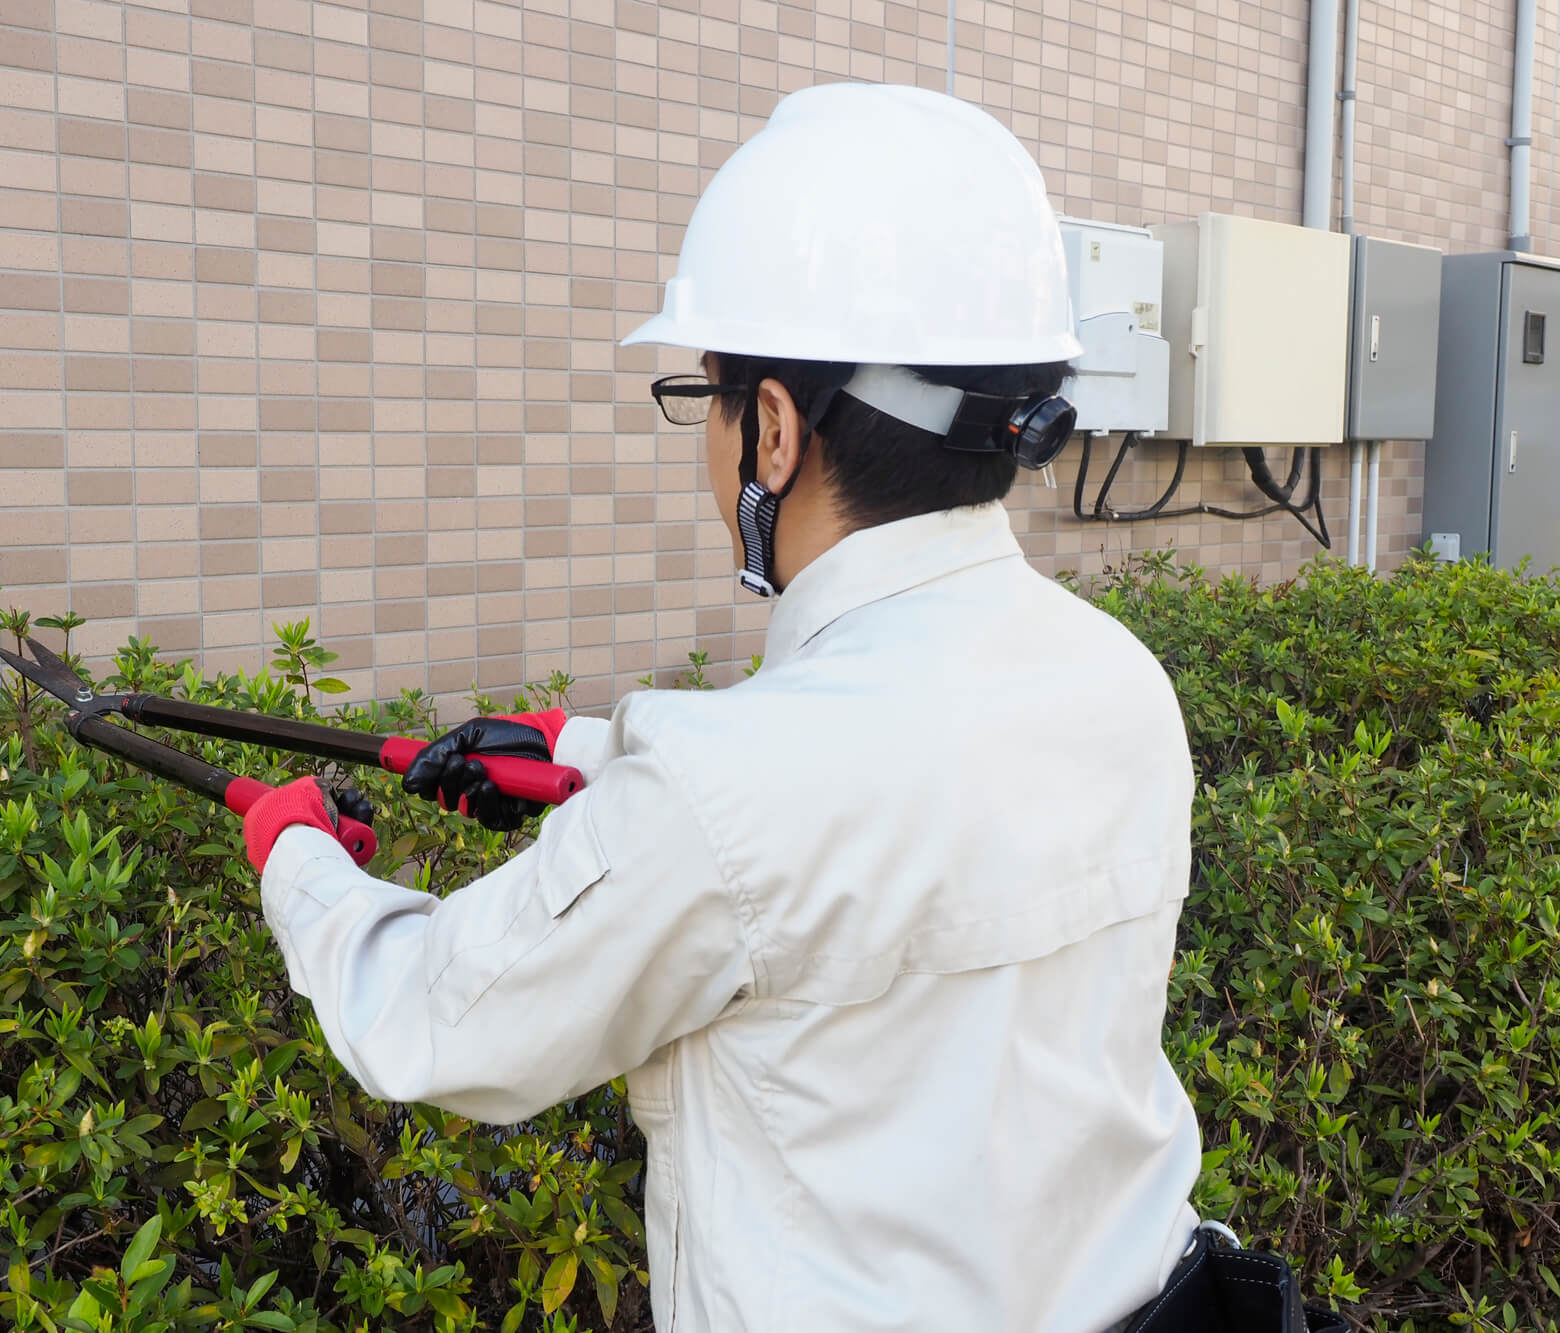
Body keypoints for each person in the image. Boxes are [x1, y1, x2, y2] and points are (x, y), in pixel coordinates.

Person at [239, 83, 1203, 1332]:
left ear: (774, 431)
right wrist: (583, 756)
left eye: (707, 397)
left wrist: (297, 858)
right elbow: (866, 816)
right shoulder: (1112, 678)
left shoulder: (731, 795)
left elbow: (437, 1020)